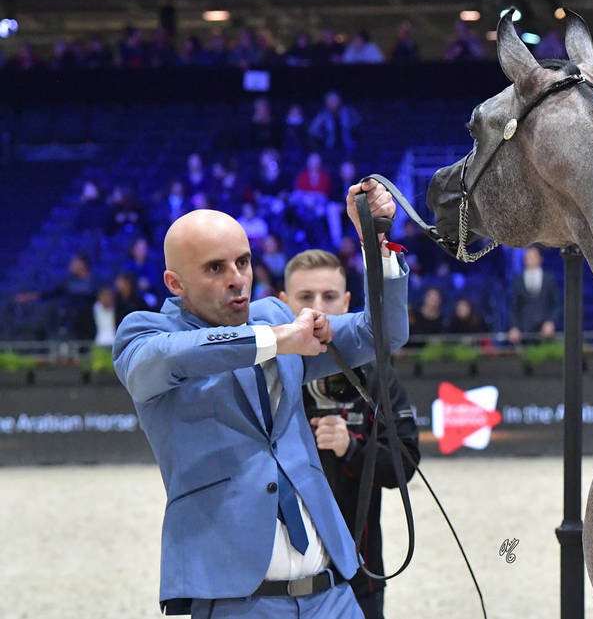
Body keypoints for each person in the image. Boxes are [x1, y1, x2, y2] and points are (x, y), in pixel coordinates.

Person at [112, 178, 408, 617]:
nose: (238, 279)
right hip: (236, 600)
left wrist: (375, 244)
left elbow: (381, 333)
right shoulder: (144, 335)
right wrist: (275, 339)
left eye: (244, 262)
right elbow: (179, 355)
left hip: (333, 591)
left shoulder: (273, 316)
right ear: (175, 283)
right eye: (216, 268)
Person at [279, 249, 420, 619]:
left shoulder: (379, 376)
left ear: (347, 303)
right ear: (283, 305)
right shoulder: (267, 377)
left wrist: (351, 448)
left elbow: (404, 467)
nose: (317, 309)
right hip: (278, 581)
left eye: (328, 297)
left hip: (361, 575)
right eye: (305, 298)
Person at [507, 246, 560, 344]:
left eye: (533, 257)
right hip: (524, 331)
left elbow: (556, 304)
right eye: (527, 257)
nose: (530, 260)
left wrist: (551, 322)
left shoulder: (549, 279)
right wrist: (514, 327)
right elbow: (514, 306)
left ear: (540, 259)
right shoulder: (518, 280)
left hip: (545, 329)